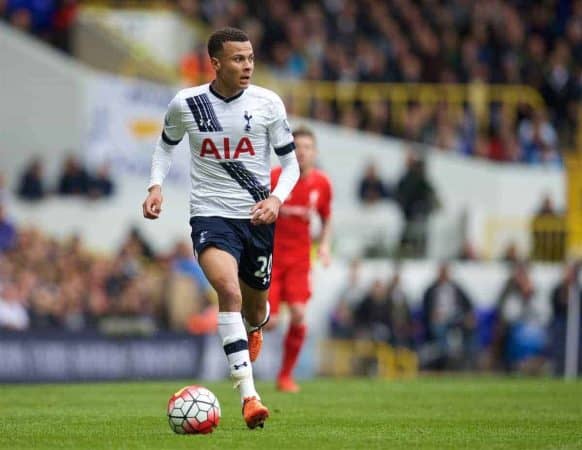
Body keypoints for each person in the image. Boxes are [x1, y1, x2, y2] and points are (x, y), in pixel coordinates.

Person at [142, 27, 299, 429]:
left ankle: (254, 327)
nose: (246, 65)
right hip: (210, 216)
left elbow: (291, 164)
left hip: (258, 217)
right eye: (237, 59)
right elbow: (165, 144)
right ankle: (249, 397)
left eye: (250, 58)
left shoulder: (268, 104)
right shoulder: (187, 104)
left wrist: (276, 199)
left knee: (256, 307)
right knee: (227, 291)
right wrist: (156, 185)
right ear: (215, 63)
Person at [263, 126, 333, 392]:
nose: (301, 152)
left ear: (314, 153)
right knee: (270, 322)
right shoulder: (273, 179)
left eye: (307, 147)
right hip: (271, 259)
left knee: (300, 313)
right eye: (297, 147)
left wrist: (324, 246)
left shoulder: (322, 184)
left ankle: (285, 377)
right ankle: (249, 337)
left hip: (299, 261)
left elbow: (327, 218)